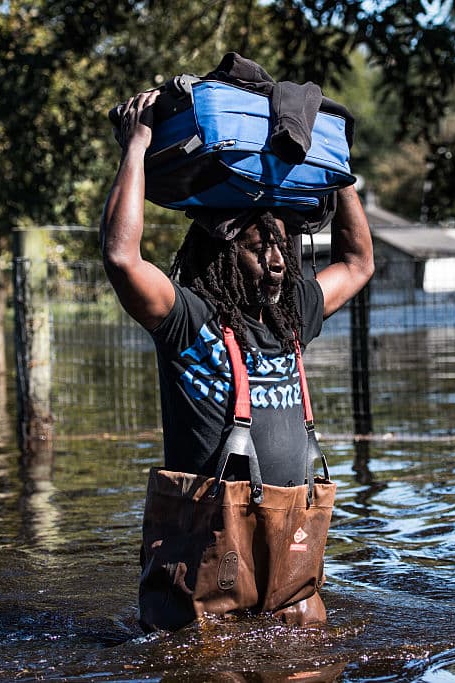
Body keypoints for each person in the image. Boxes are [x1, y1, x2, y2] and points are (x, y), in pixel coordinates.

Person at [101, 89, 373, 628]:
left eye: (282, 247)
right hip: (205, 551)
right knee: (206, 655)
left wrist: (337, 170)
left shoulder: (293, 315)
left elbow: (358, 263)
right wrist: (136, 146)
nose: (277, 262)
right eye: (257, 248)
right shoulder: (187, 320)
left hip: (289, 546)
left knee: (311, 633)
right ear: (222, 253)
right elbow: (121, 257)